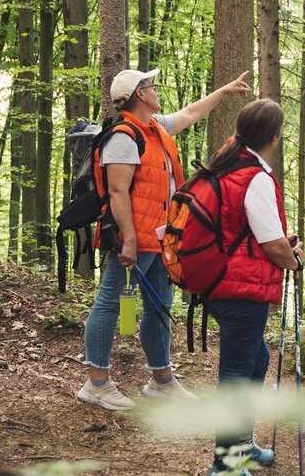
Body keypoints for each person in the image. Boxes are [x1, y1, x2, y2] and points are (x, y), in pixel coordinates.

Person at [76, 68, 251, 411]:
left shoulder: (154, 128)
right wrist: (128, 239)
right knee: (109, 302)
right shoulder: (124, 136)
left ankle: (161, 380)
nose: (156, 90)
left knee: (159, 306)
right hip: (132, 239)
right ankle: (96, 383)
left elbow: (190, 113)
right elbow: (117, 191)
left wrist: (224, 91)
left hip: (162, 238)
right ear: (140, 95)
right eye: (151, 86)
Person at [198, 99, 304, 476]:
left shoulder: (226, 162)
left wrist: (281, 245)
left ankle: (240, 445)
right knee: (236, 376)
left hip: (218, 280)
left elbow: (239, 229)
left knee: (257, 359)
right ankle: (225, 464)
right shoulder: (255, 176)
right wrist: (293, 259)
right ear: (273, 138)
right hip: (242, 290)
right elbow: (272, 245)